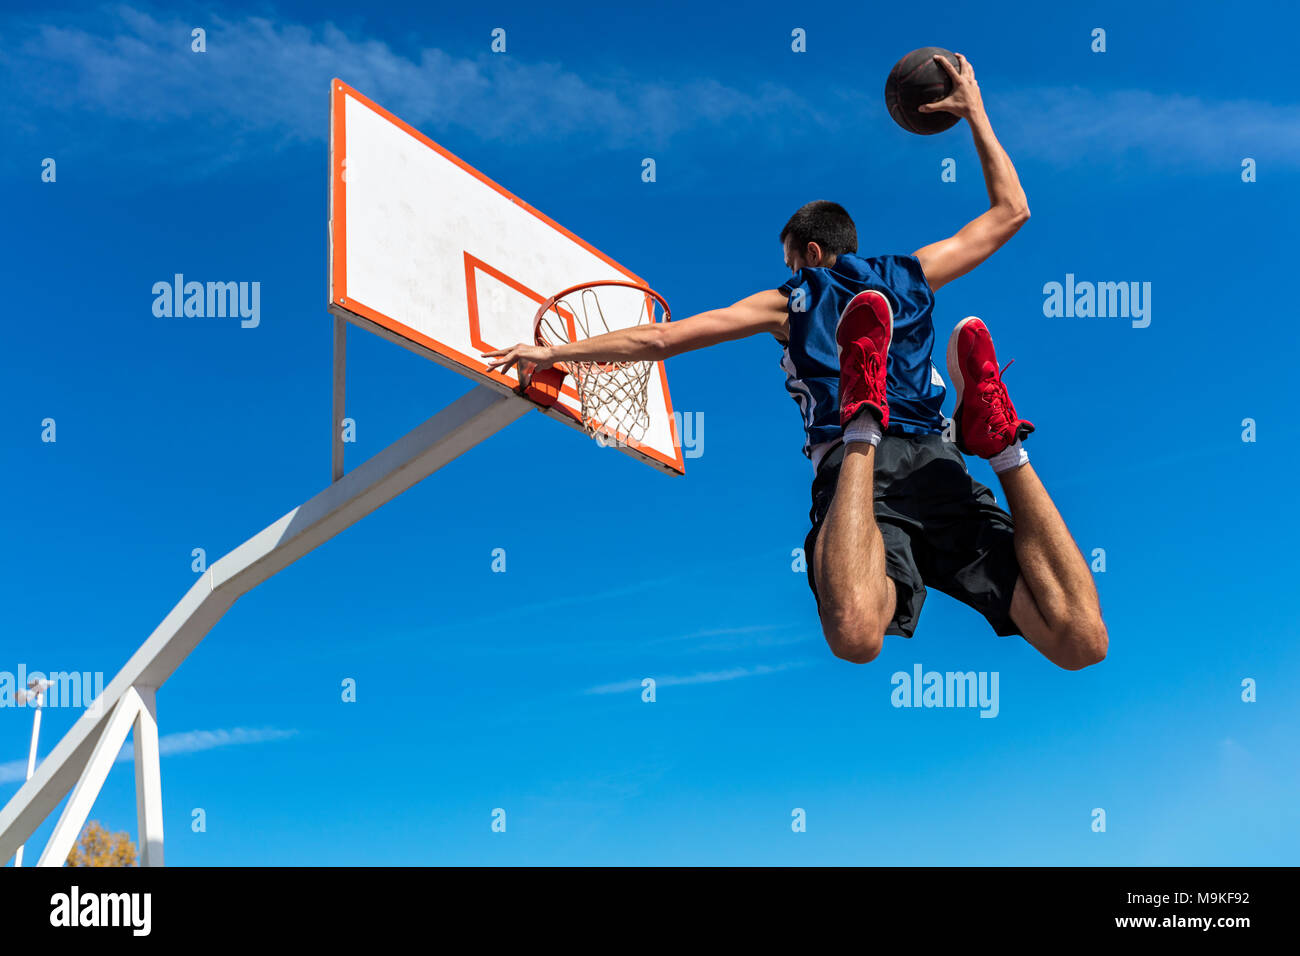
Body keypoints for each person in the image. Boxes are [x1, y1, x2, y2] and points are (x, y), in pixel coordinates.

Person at [485, 54, 1107, 670]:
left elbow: (659, 340)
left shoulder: (790, 301)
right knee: (1081, 642)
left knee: (856, 636)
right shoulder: (912, 273)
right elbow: (1011, 212)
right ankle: (1001, 448)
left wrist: (556, 351)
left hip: (861, 472)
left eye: (790, 261)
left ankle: (860, 412)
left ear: (809, 253)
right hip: (939, 460)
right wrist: (975, 112)